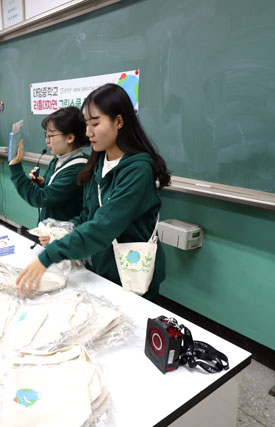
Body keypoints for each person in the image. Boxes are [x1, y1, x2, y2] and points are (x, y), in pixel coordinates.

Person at [16, 83, 171, 300]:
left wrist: (51, 254)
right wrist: (59, 232)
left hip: (132, 276)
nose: (88, 132)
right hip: (102, 270)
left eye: (95, 123)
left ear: (119, 121)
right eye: (87, 124)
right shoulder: (98, 162)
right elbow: (87, 216)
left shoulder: (138, 169)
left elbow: (103, 226)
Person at [9, 106, 89, 228]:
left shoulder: (78, 169)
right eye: (46, 135)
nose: (47, 141)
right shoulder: (58, 159)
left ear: (70, 137)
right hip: (50, 230)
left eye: (51, 136)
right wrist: (43, 183)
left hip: (64, 234)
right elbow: (52, 192)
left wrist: (16, 169)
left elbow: (40, 198)